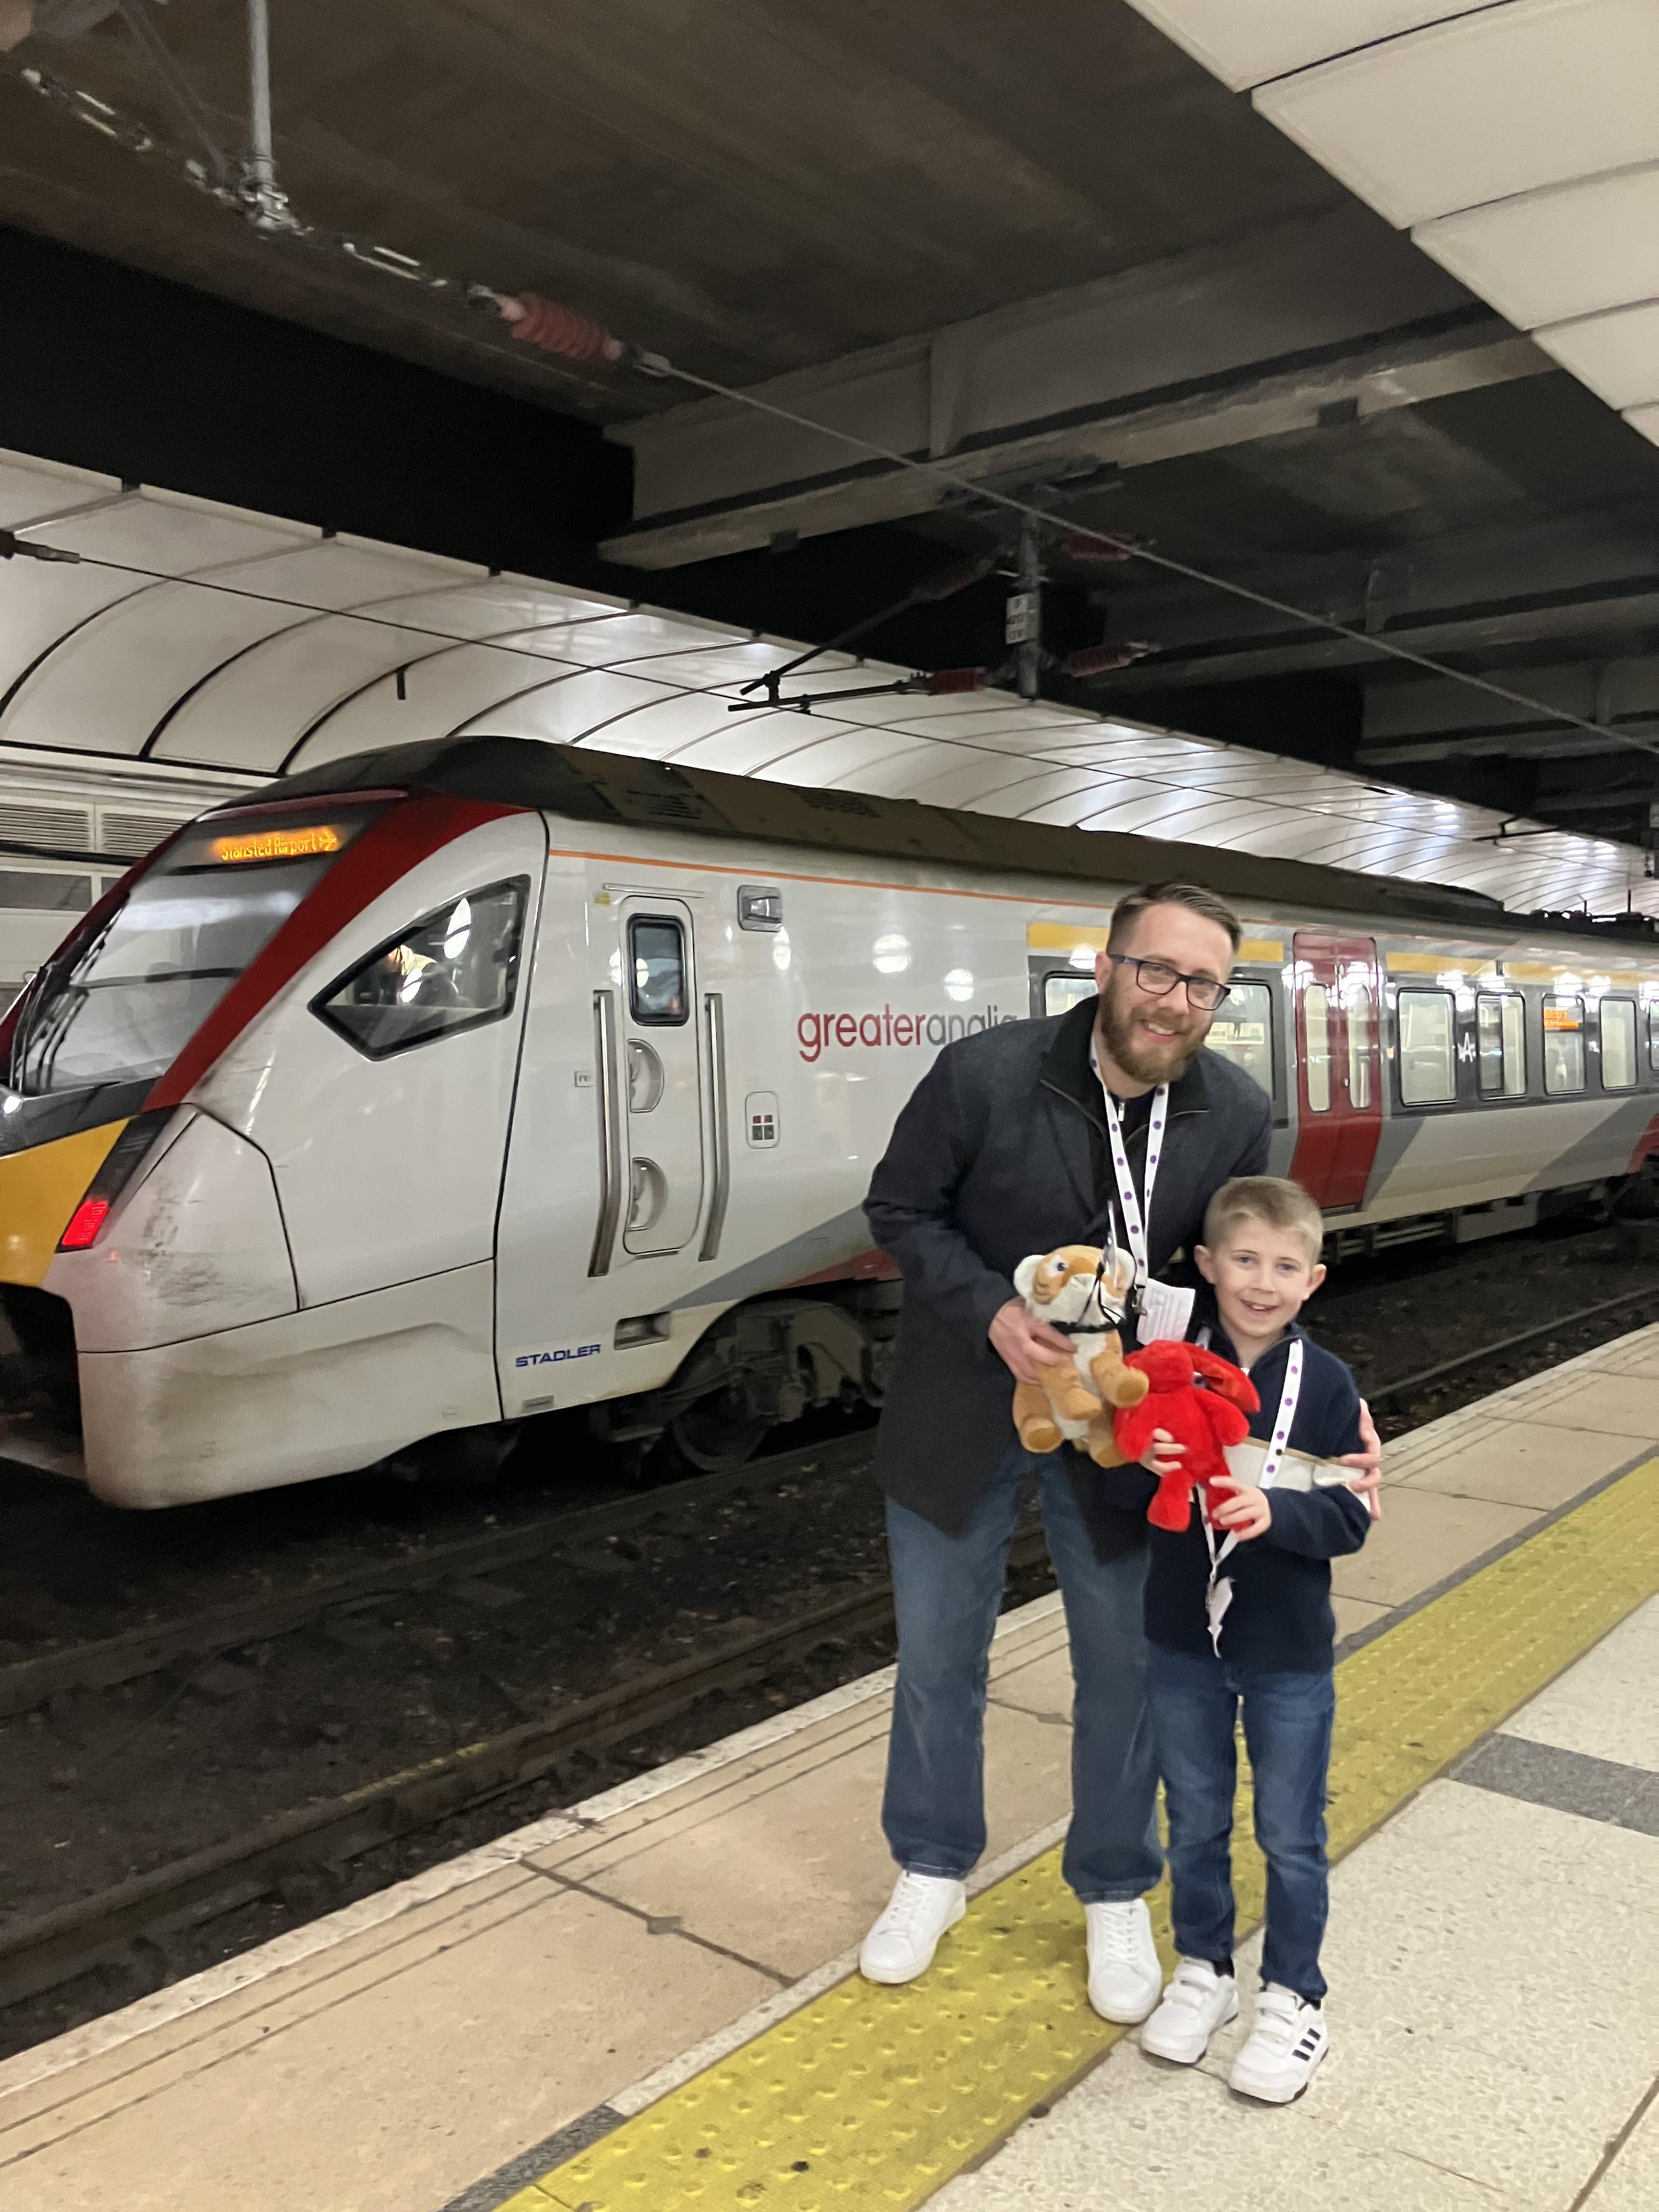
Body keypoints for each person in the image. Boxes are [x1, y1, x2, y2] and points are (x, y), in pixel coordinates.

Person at [857, 881, 1383, 2017]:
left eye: (1203, 984)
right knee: (940, 1657)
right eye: (1156, 970)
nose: (1175, 1000)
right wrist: (993, 1312)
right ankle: (933, 1867)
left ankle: (1112, 1885)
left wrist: (1318, 1417)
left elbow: (1244, 1277)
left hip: (1135, 1429)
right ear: (1104, 968)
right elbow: (900, 1211)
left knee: (1127, 1666)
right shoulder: (986, 1077)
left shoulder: (1232, 1109)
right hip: (966, 1403)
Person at [1137, 1175, 1369, 2102]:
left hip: (1287, 1649)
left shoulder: (1329, 1386)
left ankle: (1294, 1996)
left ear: (1314, 1280)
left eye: (1283, 1267)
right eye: (1244, 1261)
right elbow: (1117, 1485)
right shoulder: (1166, 1369)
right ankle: (1205, 1970)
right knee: (1193, 1816)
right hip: (1180, 1639)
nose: (1262, 1283)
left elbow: (1351, 1515)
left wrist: (1279, 1513)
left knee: (1288, 1831)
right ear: (1207, 1266)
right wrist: (1140, 1462)